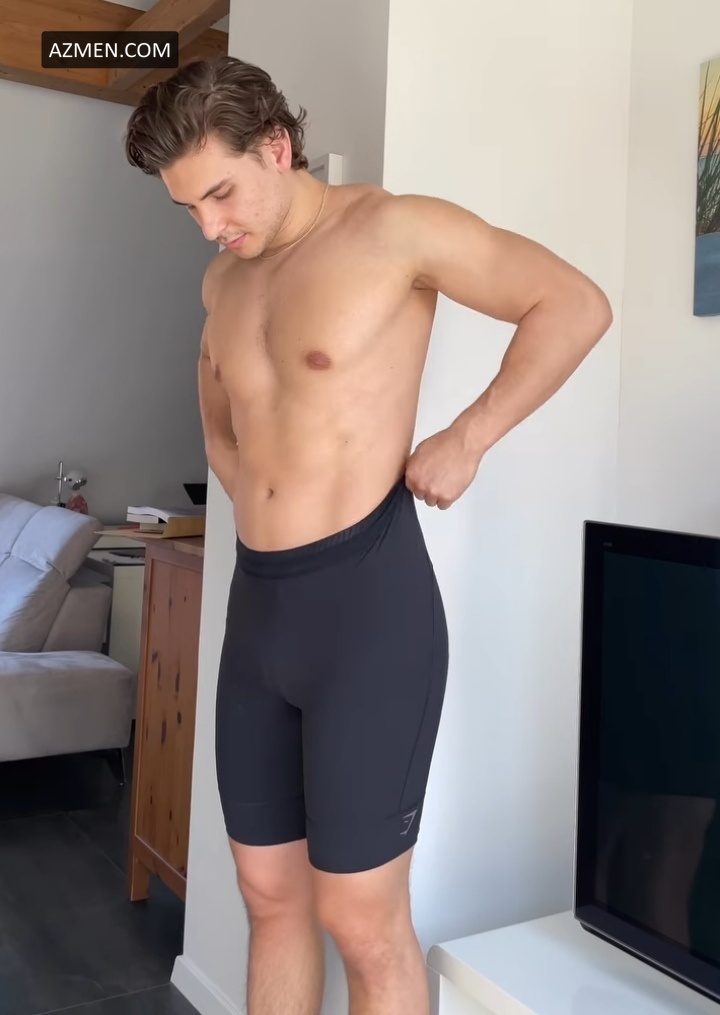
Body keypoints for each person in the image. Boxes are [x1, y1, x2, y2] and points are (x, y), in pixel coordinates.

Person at [124, 54, 612, 1015]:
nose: (212, 226)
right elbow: (220, 417)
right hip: (259, 611)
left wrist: (468, 436)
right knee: (268, 896)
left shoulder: (395, 230)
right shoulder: (223, 284)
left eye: (220, 193)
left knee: (361, 916)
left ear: (278, 146)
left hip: (366, 607)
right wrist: (250, 485)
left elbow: (574, 303)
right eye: (190, 208)